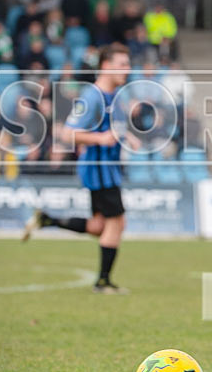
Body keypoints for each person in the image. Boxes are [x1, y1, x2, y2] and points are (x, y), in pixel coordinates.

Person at [22, 43, 140, 294]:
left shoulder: (113, 96)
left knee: (99, 226)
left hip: (108, 169)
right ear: (105, 66)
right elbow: (67, 133)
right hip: (100, 171)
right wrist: (100, 139)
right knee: (117, 223)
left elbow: (110, 128)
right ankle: (103, 282)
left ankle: (48, 219)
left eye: (128, 64)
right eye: (122, 64)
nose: (127, 69)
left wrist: (127, 136)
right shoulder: (92, 97)